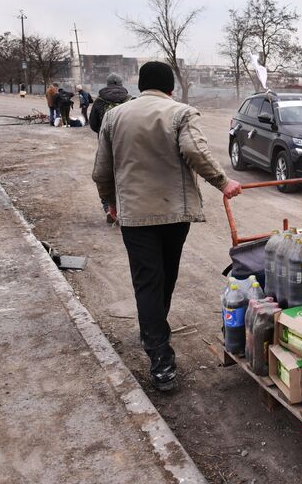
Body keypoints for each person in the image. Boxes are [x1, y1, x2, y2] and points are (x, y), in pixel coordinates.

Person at [92, 61, 242, 391]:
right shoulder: (181, 112)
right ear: (170, 88)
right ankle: (156, 336)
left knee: (147, 280)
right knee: (166, 274)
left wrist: (111, 202)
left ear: (140, 85)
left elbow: (101, 170)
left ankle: (159, 355)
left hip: (135, 217)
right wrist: (222, 182)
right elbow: (194, 151)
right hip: (175, 214)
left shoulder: (113, 117)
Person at [90, 73, 132, 222]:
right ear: (121, 83)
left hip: (105, 144)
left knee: (106, 176)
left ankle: (109, 208)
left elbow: (93, 124)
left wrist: (104, 134)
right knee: (126, 175)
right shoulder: (130, 100)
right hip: (127, 145)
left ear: (107, 83)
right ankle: (125, 209)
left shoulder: (99, 100)